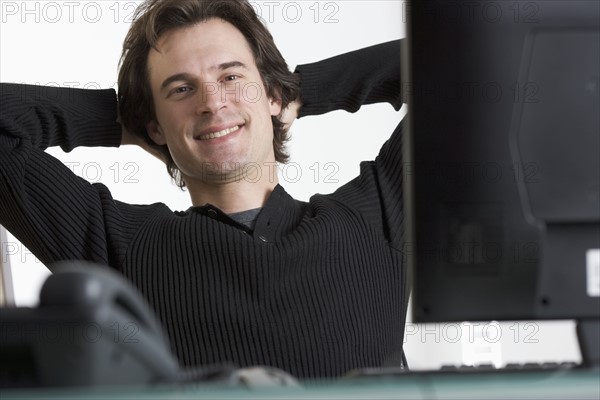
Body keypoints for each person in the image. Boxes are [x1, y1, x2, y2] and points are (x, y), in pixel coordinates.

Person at [0, 0, 407, 378]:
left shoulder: (374, 216)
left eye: (231, 76)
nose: (212, 102)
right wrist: (127, 121)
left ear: (271, 95)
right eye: (181, 89)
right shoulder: (117, 243)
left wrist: (301, 92)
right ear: (155, 126)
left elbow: (460, 65)